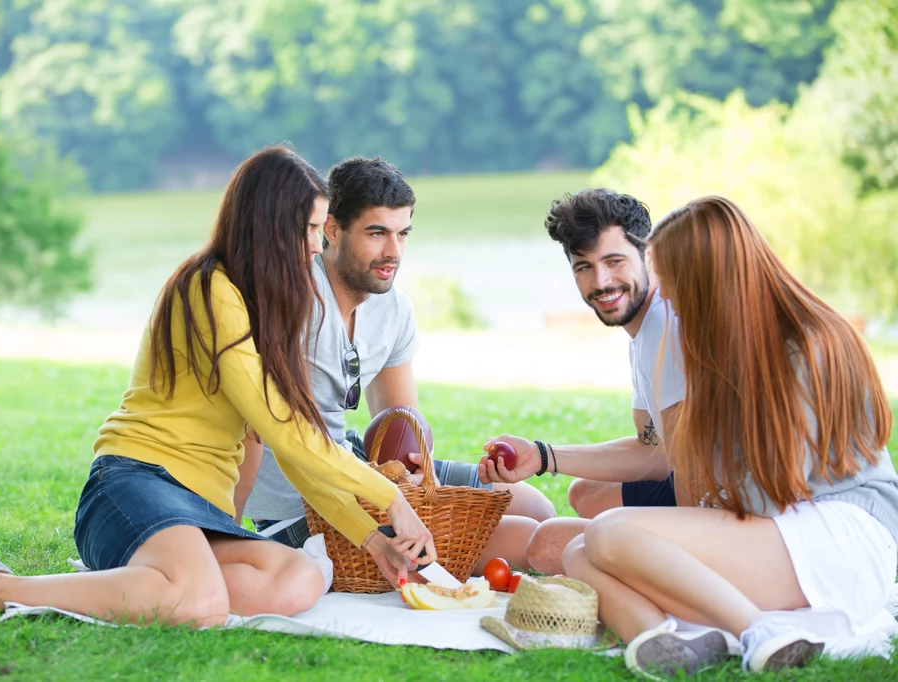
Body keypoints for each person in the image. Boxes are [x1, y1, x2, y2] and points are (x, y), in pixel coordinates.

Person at [0, 147, 436, 626]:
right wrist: (390, 499)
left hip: (196, 510)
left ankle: (156, 585)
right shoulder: (209, 288)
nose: (318, 247)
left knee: (297, 580)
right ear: (273, 227)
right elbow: (287, 428)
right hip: (135, 481)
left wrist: (368, 537)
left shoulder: (270, 310)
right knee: (198, 607)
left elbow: (288, 447)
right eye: (311, 229)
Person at [486, 196, 898, 676]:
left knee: (611, 531)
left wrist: (677, 531)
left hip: (839, 537)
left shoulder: (804, 345)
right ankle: (665, 639)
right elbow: (662, 453)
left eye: (674, 282)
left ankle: (759, 631)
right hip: (787, 530)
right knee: (579, 551)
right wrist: (545, 455)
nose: (669, 298)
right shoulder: (727, 346)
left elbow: (766, 491)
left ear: (708, 276)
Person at [236, 155, 554, 572]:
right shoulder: (293, 299)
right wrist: (227, 527)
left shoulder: (394, 309)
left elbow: (400, 420)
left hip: (365, 471)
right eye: (377, 233)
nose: (393, 252)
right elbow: (258, 432)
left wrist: (416, 476)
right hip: (305, 508)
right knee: (531, 541)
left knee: (536, 506)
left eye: (403, 233)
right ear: (332, 230)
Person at [480, 188, 685, 575]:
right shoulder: (643, 332)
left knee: (547, 544)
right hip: (690, 483)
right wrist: (542, 456)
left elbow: (679, 466)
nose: (601, 281)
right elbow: (652, 451)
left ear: (649, 256)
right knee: (584, 493)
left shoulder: (667, 327)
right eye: (584, 267)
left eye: (614, 261)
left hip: (722, 506)